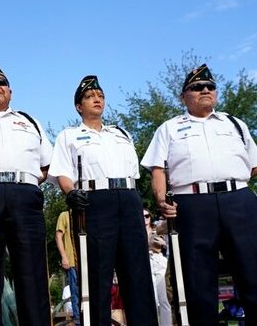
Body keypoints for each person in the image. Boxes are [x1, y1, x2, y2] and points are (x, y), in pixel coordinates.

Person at [141, 63, 257, 325]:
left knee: (252, 272)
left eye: (210, 86)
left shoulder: (235, 124)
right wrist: (161, 200)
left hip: (238, 200)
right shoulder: (170, 128)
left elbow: (253, 164)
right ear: (184, 97)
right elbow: (157, 169)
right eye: (197, 87)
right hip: (192, 205)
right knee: (198, 282)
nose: (205, 90)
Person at [49, 75, 157, 326]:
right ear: (79, 106)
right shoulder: (69, 135)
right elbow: (63, 171)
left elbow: (134, 173)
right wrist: (70, 192)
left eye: (100, 96)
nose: (96, 99)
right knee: (97, 275)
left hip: (128, 199)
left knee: (137, 273)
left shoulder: (120, 133)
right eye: (89, 96)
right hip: (95, 202)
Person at [0, 59, 52, 326]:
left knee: (31, 271)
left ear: (10, 91)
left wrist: (26, 187)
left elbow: (46, 165)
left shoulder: (29, 121)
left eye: (1, 82)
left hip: (24, 196)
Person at [144, 208, 172, 326]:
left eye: (147, 216)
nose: (145, 218)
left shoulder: (157, 229)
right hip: (146, 263)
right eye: (142, 216)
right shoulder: (136, 232)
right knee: (152, 298)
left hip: (159, 261)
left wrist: (163, 244)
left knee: (163, 298)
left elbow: (169, 226)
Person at [55, 210, 80, 325]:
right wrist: (64, 257)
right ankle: (78, 321)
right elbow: (58, 236)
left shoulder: (86, 214)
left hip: (87, 262)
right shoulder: (65, 215)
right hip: (73, 262)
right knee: (75, 293)